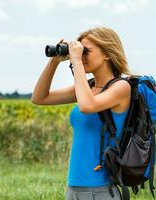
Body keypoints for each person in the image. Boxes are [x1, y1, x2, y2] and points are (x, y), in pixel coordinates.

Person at [31, 26, 132, 200]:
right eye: (80, 51)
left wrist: (76, 61)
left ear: (107, 54)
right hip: (74, 186)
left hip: (101, 188)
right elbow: (39, 97)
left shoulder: (121, 87)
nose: (81, 55)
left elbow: (87, 106)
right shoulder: (89, 87)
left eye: (86, 51)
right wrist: (54, 62)